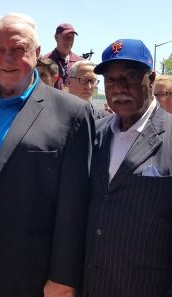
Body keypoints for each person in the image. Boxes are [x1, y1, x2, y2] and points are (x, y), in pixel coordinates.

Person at [0, 13, 94, 297]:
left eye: (18, 50)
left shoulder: (72, 113)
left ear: (37, 52)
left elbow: (75, 206)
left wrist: (63, 277)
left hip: (31, 277)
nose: (7, 59)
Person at [83, 39, 172, 297]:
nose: (119, 88)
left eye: (130, 77)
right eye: (110, 80)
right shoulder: (93, 135)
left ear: (151, 79)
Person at [43, 23, 84, 90]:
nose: (68, 41)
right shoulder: (44, 62)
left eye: (71, 38)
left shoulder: (80, 63)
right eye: (65, 37)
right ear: (56, 38)